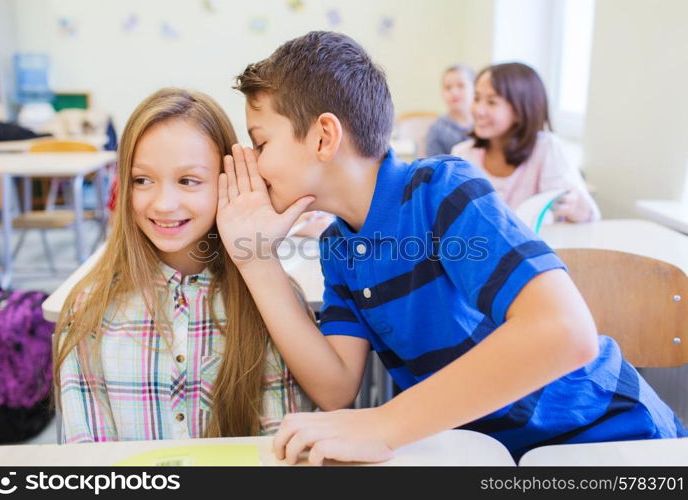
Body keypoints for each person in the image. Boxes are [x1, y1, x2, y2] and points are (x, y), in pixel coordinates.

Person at [217, 31, 685, 464]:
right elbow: (336, 385)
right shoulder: (338, 246)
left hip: (609, 439)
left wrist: (385, 423)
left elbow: (566, 331)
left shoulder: (441, 190)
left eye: (260, 144)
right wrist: (256, 262)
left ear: (324, 136)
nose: (253, 164)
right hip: (494, 455)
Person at [53, 88, 313, 443]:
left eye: (188, 181)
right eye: (142, 180)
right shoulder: (87, 311)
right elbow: (89, 459)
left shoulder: (270, 304)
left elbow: (280, 449)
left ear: (229, 182)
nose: (164, 203)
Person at [452, 62, 600, 222]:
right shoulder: (462, 155)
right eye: (476, 98)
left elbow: (590, 218)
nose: (478, 110)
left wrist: (572, 205)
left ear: (520, 109)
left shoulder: (546, 148)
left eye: (491, 102)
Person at [425, 64, 474, 156]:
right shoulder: (437, 129)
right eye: (448, 87)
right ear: (442, 93)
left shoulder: (483, 125)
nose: (454, 92)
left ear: (475, 89)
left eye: (461, 85)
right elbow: (435, 165)